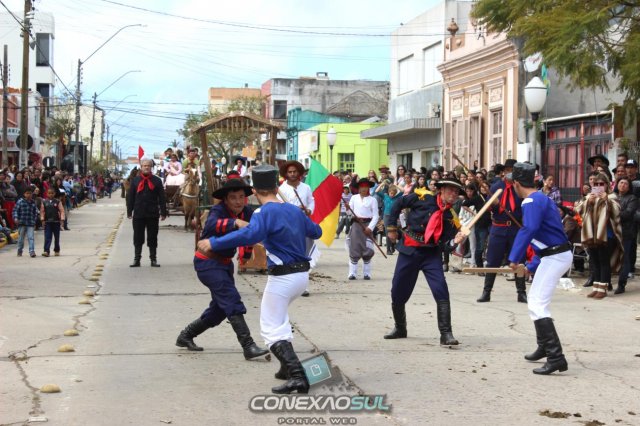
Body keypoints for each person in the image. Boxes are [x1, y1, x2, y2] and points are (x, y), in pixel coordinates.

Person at [197, 164, 322, 395]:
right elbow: (316, 232)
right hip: (301, 276)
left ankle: (297, 376)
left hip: (283, 278)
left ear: (254, 191)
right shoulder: (293, 210)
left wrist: (213, 242)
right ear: (276, 187)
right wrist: (301, 215)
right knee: (280, 319)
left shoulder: (262, 213)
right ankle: (286, 367)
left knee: (271, 328)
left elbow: (249, 235)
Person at [176, 179, 269, 360]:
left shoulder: (248, 212)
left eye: (241, 197)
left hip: (225, 264)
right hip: (207, 263)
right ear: (225, 199)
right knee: (231, 299)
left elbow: (255, 230)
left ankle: (186, 335)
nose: (238, 201)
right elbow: (212, 225)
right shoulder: (217, 211)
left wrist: (246, 253)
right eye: (233, 197)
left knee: (219, 309)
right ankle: (248, 346)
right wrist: (235, 223)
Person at [507, 162, 573, 375]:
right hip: (552, 254)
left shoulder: (531, 201)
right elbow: (543, 236)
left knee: (537, 303)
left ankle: (556, 357)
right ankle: (544, 347)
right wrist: (531, 265)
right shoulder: (542, 198)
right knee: (535, 300)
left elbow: (530, 229)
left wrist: (514, 258)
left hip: (555, 256)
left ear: (517, 184)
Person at [383, 177, 465, 345]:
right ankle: (400, 327)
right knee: (398, 290)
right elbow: (398, 204)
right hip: (409, 250)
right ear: (441, 190)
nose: (453, 194)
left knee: (441, 289)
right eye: (451, 190)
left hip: (431, 254)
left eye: (457, 192)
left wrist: (455, 241)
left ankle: (446, 334)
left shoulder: (451, 217)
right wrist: (391, 228)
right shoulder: (423, 197)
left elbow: (445, 246)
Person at [477, 159, 528, 303]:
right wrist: (493, 204)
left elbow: (525, 205)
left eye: (513, 170)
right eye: (508, 170)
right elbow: (487, 208)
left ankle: (521, 292)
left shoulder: (520, 186)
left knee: (518, 260)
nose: (510, 173)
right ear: (503, 172)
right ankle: (486, 292)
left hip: (515, 228)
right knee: (492, 260)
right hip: (498, 228)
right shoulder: (496, 187)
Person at [575, 173, 623, 299]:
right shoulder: (589, 197)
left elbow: (617, 213)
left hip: (607, 234)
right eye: (596, 184)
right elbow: (578, 210)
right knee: (595, 261)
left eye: (601, 184)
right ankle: (596, 287)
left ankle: (603, 288)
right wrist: (588, 202)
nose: (598, 186)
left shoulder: (612, 197)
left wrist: (607, 200)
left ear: (607, 185)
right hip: (592, 235)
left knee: (604, 261)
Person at [126, 159, 168, 267]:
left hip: (152, 213)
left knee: (152, 237)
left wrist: (163, 212)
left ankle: (153, 259)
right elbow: (130, 197)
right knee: (138, 237)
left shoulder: (157, 181)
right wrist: (129, 211)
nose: (146, 167)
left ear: (151, 167)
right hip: (138, 213)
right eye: (144, 165)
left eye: (148, 165)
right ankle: (137, 259)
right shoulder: (135, 181)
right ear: (141, 167)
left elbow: (162, 198)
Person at [347, 178, 379, 280]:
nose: (363, 189)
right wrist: (347, 208)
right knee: (354, 247)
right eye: (361, 187)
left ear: (368, 188)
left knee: (367, 248)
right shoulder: (354, 198)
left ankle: (367, 273)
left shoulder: (373, 200)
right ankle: (352, 273)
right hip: (356, 225)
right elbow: (349, 213)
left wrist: (370, 228)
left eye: (366, 187)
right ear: (358, 188)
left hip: (367, 225)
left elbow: (376, 216)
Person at [613, 177, 636, 294]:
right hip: (612, 232)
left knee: (624, 258)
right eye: (621, 183)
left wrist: (612, 215)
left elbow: (628, 214)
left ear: (629, 187)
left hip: (625, 233)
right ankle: (606, 282)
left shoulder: (632, 198)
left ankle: (621, 284)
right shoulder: (613, 196)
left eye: (625, 184)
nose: (622, 185)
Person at [13, 186, 38, 257]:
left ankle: (32, 251)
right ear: (24, 194)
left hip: (30, 223)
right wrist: (16, 218)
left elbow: (35, 212)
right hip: (22, 223)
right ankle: (20, 250)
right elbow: (15, 210)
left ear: (32, 194)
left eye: (30, 193)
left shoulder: (33, 202)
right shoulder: (20, 202)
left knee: (31, 237)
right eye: (27, 193)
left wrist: (34, 221)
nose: (28, 195)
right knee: (21, 238)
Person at [40, 187, 65, 257]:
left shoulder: (58, 202)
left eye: (52, 193)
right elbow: (42, 211)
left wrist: (62, 220)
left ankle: (57, 250)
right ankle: (46, 251)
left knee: (56, 237)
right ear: (47, 194)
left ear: (54, 194)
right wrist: (42, 220)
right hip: (47, 222)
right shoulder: (44, 202)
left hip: (56, 222)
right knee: (47, 237)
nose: (50, 194)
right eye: (49, 193)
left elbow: (62, 210)